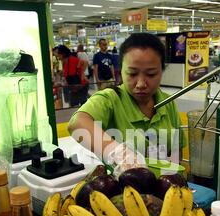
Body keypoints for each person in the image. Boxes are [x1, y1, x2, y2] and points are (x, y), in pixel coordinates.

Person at [68, 33, 184, 177]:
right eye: (132, 74)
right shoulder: (110, 99)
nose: (141, 84)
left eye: (151, 74)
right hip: (120, 193)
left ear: (162, 71)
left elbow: (176, 153)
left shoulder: (167, 103)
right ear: (120, 70)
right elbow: (77, 122)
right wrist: (115, 151)